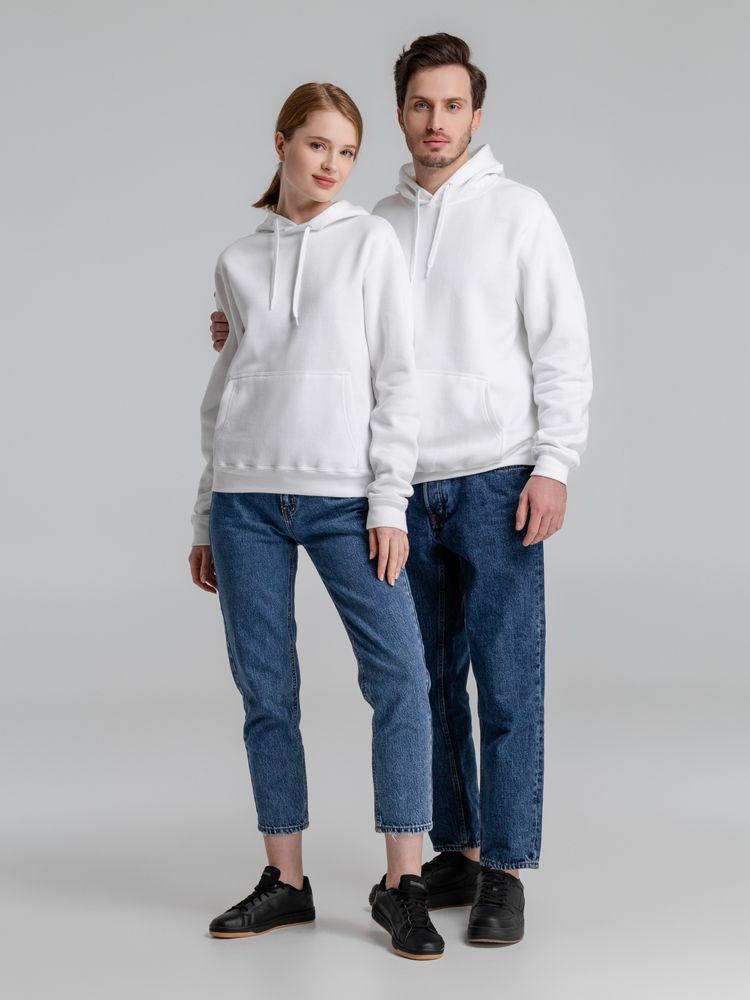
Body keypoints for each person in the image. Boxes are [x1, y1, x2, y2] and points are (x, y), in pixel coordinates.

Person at [210, 34, 593, 947]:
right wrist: (246, 329)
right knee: (430, 683)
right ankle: (454, 847)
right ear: (401, 114)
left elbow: (562, 345)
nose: (436, 121)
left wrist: (554, 462)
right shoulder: (375, 220)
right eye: (421, 105)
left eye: (453, 105)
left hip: (497, 473)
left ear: (475, 114)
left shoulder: (520, 212)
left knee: (507, 685)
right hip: (401, 485)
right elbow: (326, 340)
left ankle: (505, 870)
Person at [188, 82, 445, 960]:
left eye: (347, 151)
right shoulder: (237, 260)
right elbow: (224, 394)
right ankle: (286, 882)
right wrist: (203, 515)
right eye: (317, 145)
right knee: (267, 691)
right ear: (282, 142)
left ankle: (402, 883)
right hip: (245, 502)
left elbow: (399, 380)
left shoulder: (371, 243)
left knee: (400, 677)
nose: (332, 164)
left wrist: (388, 502)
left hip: (344, 499)